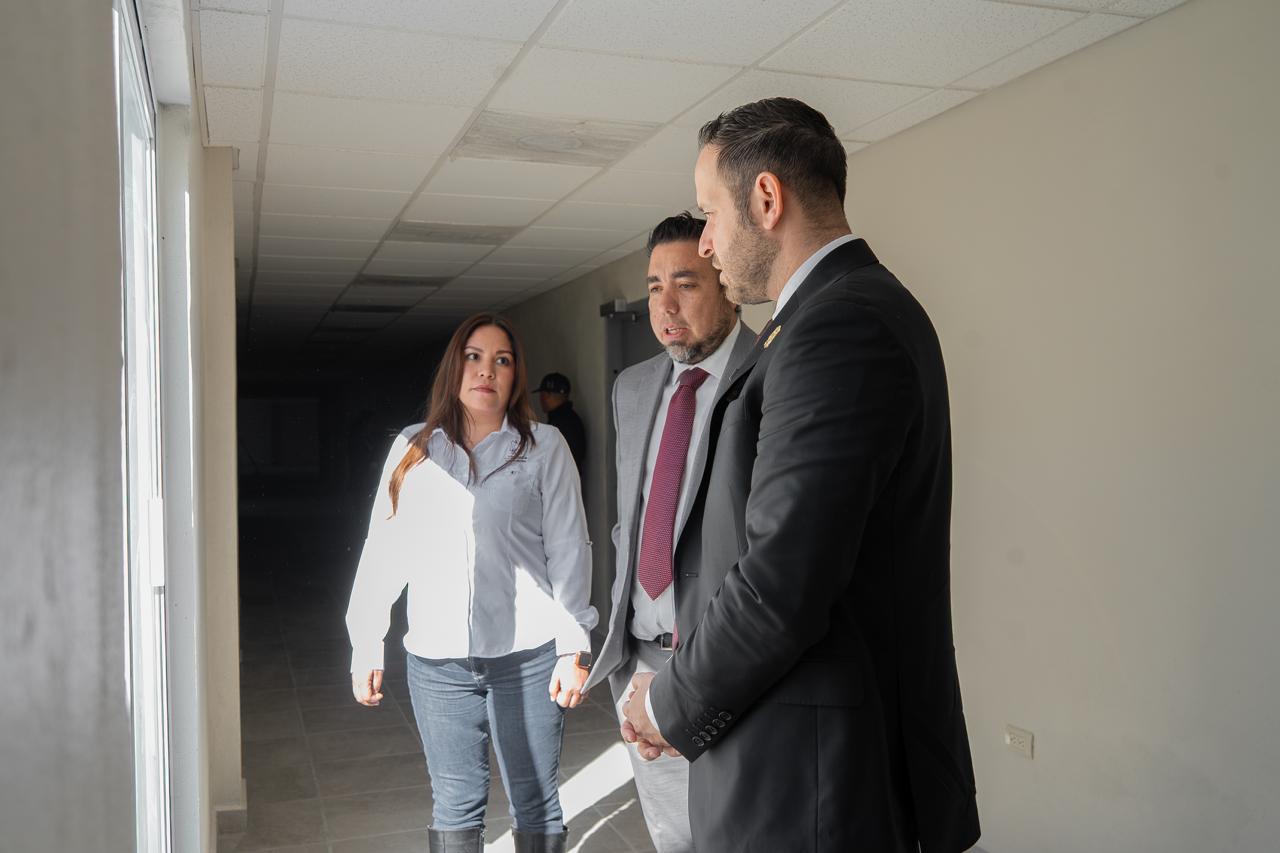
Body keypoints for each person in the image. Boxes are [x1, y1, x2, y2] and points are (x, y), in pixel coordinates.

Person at [621, 98, 982, 852]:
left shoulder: (839, 326)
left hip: (814, 791)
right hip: (805, 773)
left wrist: (667, 704)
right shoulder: (819, 319)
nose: (707, 242)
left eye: (710, 214)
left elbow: (780, 583)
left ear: (766, 198)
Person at [346, 313, 597, 853]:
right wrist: (366, 640)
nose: (487, 371)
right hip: (438, 665)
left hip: (528, 657)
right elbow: (383, 548)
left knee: (536, 800)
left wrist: (573, 645)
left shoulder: (545, 446)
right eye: (474, 357)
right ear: (454, 369)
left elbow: (570, 549)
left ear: (515, 376)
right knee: (455, 805)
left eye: (502, 360)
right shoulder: (414, 448)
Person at [583, 212, 754, 852]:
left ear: (728, 285)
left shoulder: (773, 374)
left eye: (685, 284)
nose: (666, 305)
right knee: (674, 839)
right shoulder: (632, 387)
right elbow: (632, 521)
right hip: (640, 663)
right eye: (655, 287)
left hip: (728, 668)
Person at [533, 372, 587, 477]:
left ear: (546, 395)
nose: (541, 399)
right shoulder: (570, 418)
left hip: (562, 481)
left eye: (542, 394)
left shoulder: (561, 423)